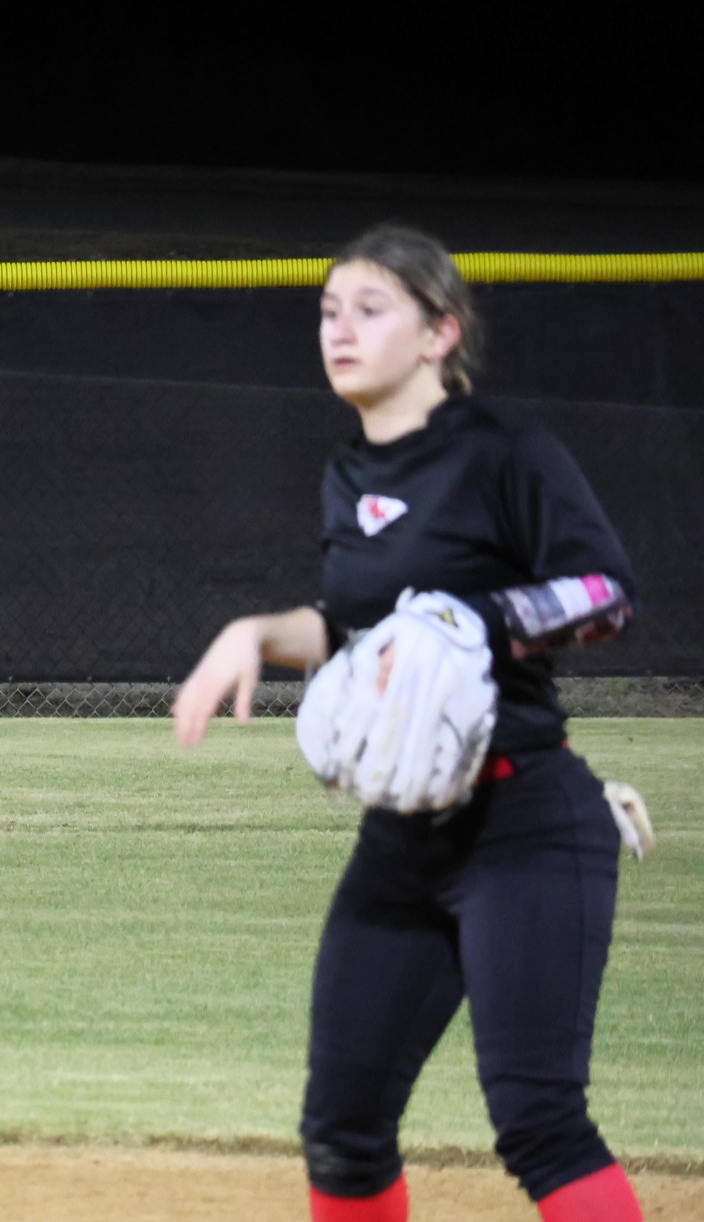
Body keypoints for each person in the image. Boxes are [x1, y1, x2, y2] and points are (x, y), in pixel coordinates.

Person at [171, 225, 646, 1222]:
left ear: (441, 333)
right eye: (327, 311)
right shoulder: (351, 473)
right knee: (342, 1130)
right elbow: (354, 626)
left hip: (527, 825)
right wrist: (255, 633)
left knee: (540, 1123)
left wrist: (472, 619)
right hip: (403, 842)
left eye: (370, 308)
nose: (339, 330)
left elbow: (607, 593)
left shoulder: (506, 452)